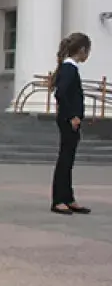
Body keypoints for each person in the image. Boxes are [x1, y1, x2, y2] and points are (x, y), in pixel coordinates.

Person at [50, 32, 91, 215]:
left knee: (69, 159)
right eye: (87, 51)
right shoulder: (69, 68)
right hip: (68, 120)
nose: (87, 55)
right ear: (82, 50)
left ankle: (68, 197)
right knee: (65, 159)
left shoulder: (69, 68)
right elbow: (61, 93)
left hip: (69, 119)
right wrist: (73, 115)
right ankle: (59, 199)